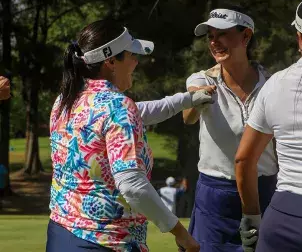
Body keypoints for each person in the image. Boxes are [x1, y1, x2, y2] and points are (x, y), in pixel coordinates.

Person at [46, 19, 209, 252]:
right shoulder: (118, 108)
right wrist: (181, 233)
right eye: (132, 54)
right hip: (106, 242)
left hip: (60, 235)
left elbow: (140, 111)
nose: (136, 61)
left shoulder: (65, 101)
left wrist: (188, 99)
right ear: (111, 60)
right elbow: (132, 186)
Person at [235, 0, 302, 252]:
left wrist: (252, 218)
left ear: (301, 39)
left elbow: (244, 160)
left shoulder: (275, 85)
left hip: (282, 221)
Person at [183, 8, 278, 252]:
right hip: (216, 196)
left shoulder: (273, 83)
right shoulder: (202, 79)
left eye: (222, 34)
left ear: (246, 37)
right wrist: (195, 100)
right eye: (210, 36)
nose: (215, 42)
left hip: (265, 190)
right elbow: (188, 117)